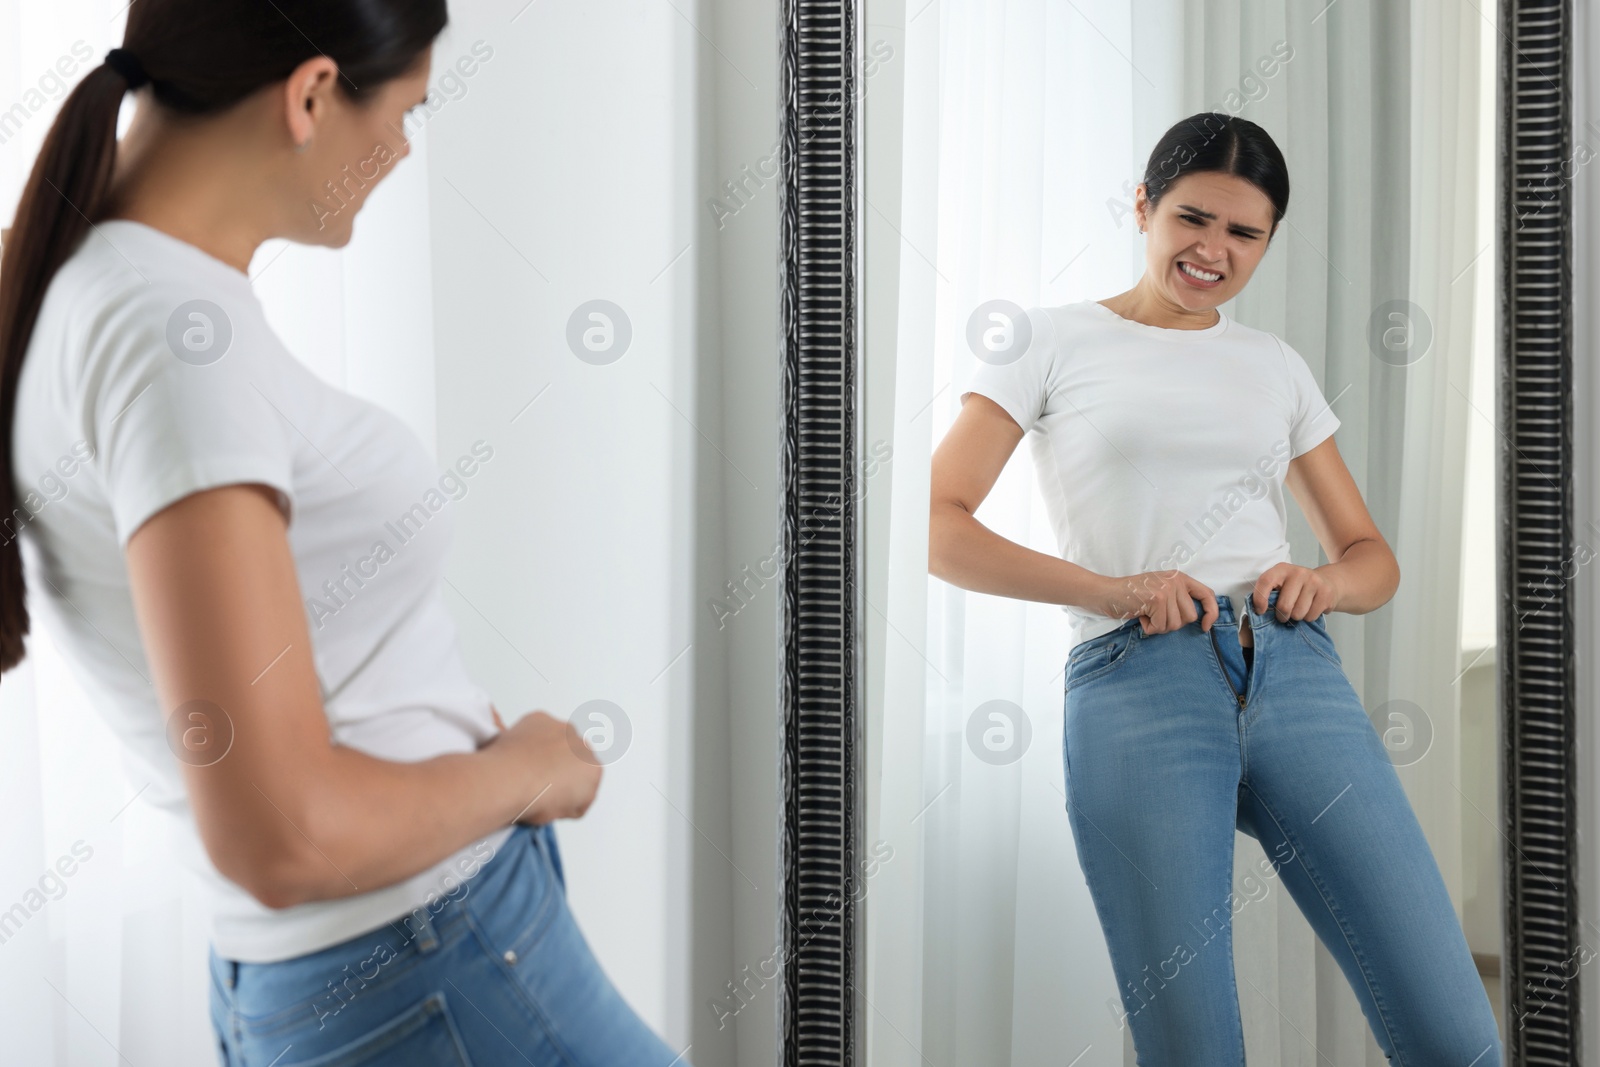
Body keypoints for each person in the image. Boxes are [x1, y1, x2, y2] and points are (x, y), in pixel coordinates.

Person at [0, 2, 686, 1064]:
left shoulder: (100, 290)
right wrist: (531, 770)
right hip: (421, 956)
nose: (404, 150)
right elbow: (280, 831)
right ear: (313, 93)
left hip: (380, 965)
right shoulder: (175, 339)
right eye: (405, 112)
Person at [928, 112, 1501, 1063]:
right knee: (1193, 1049)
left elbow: (1371, 555)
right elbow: (941, 525)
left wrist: (1323, 581)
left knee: (1454, 1033)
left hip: (1296, 676)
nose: (1213, 250)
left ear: (1268, 241)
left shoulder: (1274, 365)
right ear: (1144, 206)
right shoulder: (1049, 342)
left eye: (1244, 233)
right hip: (1136, 685)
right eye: (1193, 218)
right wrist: (1113, 589)